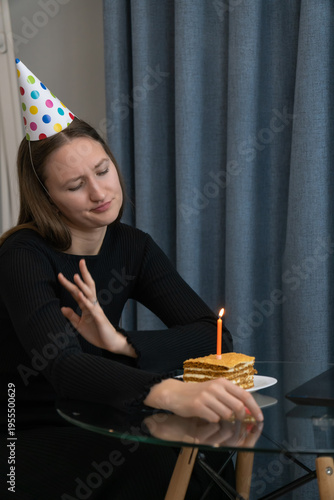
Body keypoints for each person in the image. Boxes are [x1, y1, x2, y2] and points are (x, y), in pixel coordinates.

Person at [0, 60, 263, 499]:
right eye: (75, 185)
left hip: (106, 411)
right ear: (46, 197)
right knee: (157, 459)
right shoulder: (21, 256)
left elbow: (214, 336)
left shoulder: (131, 245)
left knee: (205, 445)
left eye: (103, 171)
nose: (100, 193)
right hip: (22, 433)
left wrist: (121, 344)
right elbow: (64, 367)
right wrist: (169, 392)